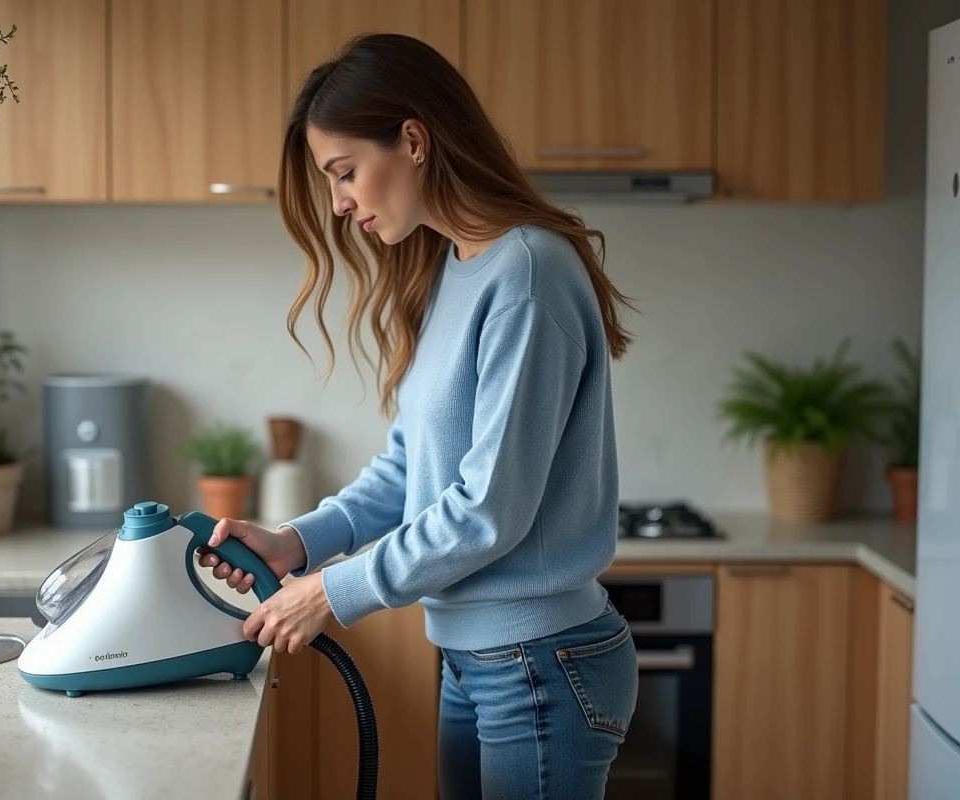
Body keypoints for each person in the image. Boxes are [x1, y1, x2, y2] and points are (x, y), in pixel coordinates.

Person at [195, 32, 639, 799]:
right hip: (482, 662)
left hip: (539, 664)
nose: (339, 202)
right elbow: (409, 469)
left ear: (412, 139)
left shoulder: (526, 273)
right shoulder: (453, 267)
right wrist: (297, 543)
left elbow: (487, 511)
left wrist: (331, 593)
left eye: (345, 173)